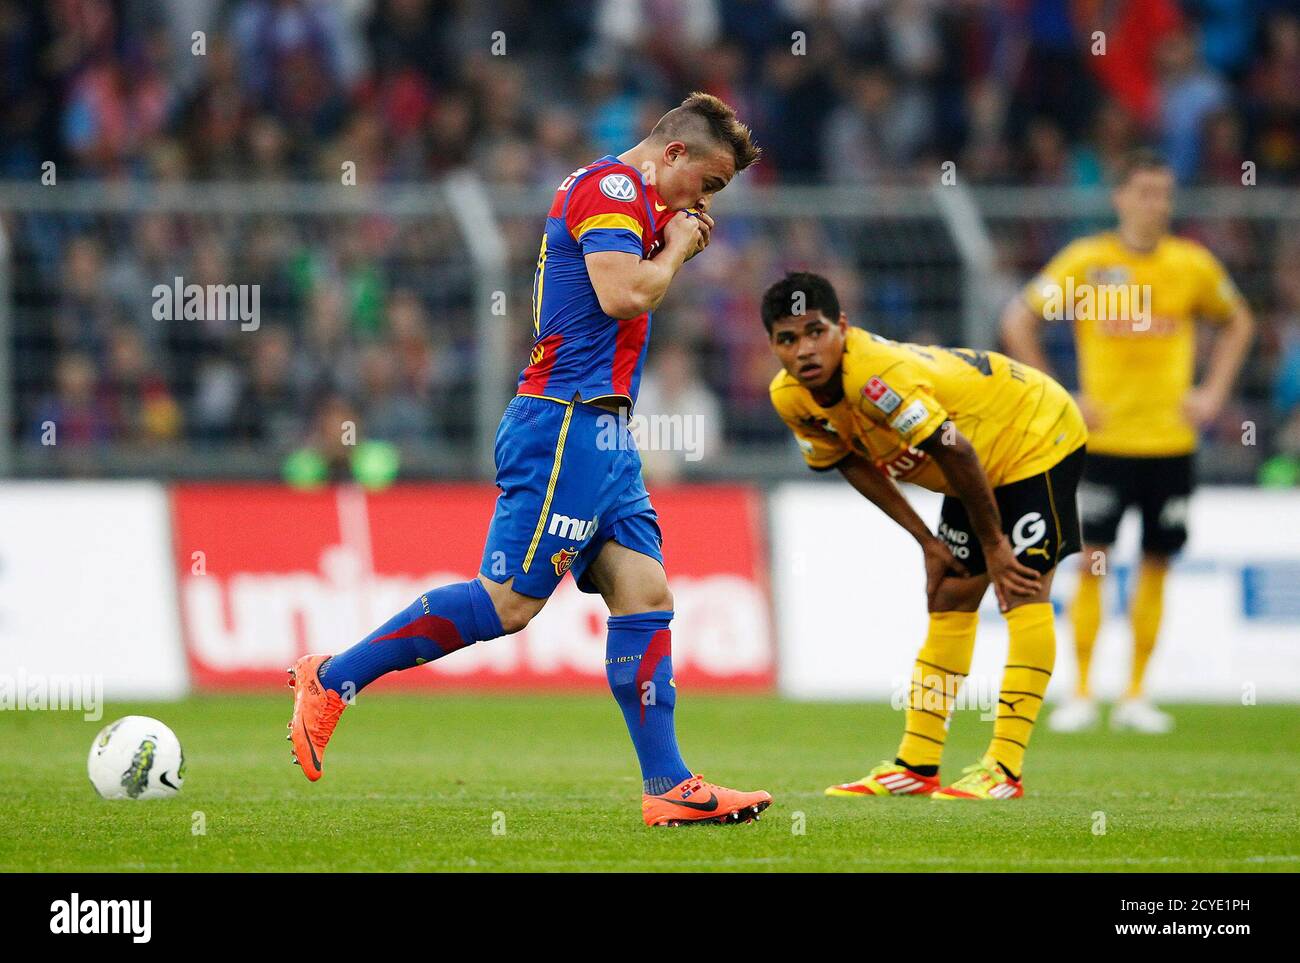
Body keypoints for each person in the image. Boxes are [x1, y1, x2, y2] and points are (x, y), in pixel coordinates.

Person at [286, 93, 772, 827]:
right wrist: (676, 249)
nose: (706, 202)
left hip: (607, 434)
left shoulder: (641, 206)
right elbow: (619, 293)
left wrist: (669, 242)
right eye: (708, 183)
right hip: (564, 423)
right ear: (673, 154)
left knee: (645, 594)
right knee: (507, 604)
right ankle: (333, 677)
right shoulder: (610, 189)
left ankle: (669, 784)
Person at [765, 271, 1087, 799]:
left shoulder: (876, 376)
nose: (804, 349)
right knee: (949, 594)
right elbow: (850, 461)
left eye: (815, 331)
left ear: (842, 327)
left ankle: (1004, 769)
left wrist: (994, 546)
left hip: (1034, 433)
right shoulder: (791, 398)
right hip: (976, 461)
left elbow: (954, 449)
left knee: (1021, 586)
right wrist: (928, 542)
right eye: (787, 339)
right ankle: (917, 765)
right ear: (773, 347)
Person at [1001, 149, 1254, 733]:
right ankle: (1084, 693)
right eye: (1143, 192)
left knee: (1158, 562)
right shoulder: (1088, 262)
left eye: (1163, 194)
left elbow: (1239, 320)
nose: (1155, 204)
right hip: (1103, 442)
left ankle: (1137, 694)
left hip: (1171, 441)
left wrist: (1212, 392)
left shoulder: (1190, 264)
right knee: (1091, 562)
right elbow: (1019, 318)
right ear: (1120, 198)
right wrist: (1062, 394)